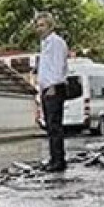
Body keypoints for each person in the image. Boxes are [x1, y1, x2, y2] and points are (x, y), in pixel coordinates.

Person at [34, 11, 69, 172]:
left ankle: (58, 161)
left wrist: (53, 86)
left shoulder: (56, 42)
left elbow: (58, 65)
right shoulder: (46, 43)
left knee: (55, 126)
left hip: (54, 88)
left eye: (42, 25)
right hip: (46, 88)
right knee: (50, 126)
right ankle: (54, 158)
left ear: (50, 26)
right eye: (37, 25)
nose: (38, 29)